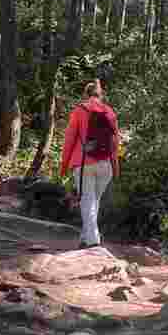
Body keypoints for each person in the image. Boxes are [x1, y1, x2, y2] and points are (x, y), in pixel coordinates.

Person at [60, 79, 119, 249]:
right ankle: (85, 237)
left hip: (84, 163)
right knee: (94, 201)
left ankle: (93, 240)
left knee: (87, 201)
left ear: (85, 94)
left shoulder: (80, 110)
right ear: (101, 95)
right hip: (105, 164)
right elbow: (115, 142)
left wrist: (64, 166)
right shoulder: (109, 111)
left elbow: (70, 139)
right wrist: (115, 167)